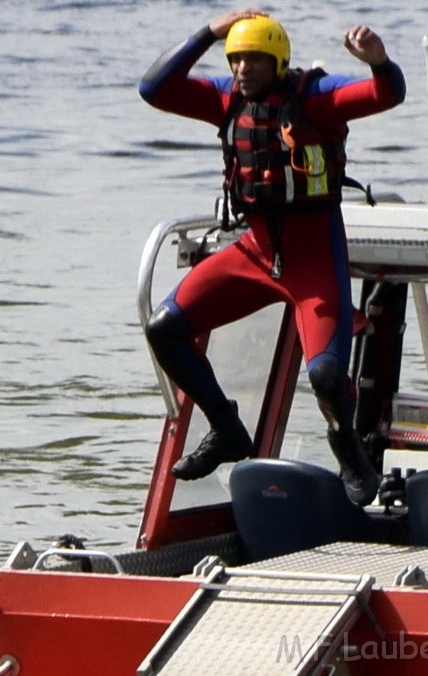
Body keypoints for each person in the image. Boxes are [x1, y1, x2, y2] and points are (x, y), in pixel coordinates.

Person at [139, 9, 406, 505]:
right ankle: (226, 428)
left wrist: (380, 62)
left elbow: (386, 94)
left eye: (254, 61)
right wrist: (208, 33)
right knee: (164, 327)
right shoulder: (224, 99)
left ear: (278, 61)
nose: (242, 70)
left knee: (325, 374)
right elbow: (153, 88)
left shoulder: (316, 101)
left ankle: (348, 449)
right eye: (236, 60)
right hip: (254, 252)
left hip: (313, 259)